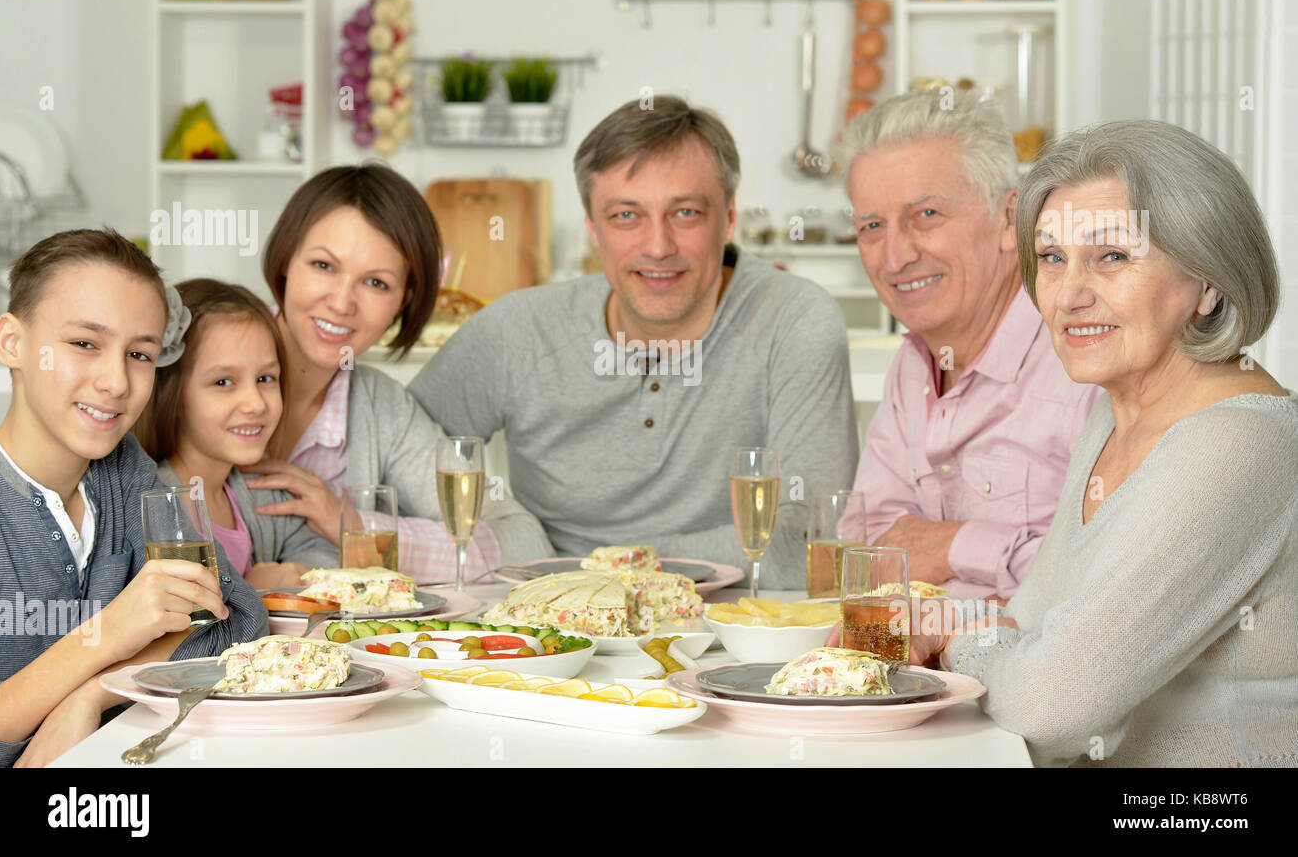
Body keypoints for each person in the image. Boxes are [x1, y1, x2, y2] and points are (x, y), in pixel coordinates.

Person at [916, 119, 1297, 767]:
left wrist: (960, 639)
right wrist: (995, 642)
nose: (1069, 294)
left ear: (1208, 281)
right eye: (1053, 258)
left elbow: (1050, 708)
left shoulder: (1240, 447)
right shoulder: (1115, 412)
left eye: (1113, 256)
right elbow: (1035, 628)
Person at [407, 96, 859, 589]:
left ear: (728, 219)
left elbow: (811, 542)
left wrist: (590, 572)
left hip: (730, 632)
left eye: (685, 212)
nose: (658, 246)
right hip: (542, 632)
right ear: (592, 229)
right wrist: (513, 532)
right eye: (626, 216)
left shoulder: (794, 321)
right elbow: (397, 457)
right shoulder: (518, 330)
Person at [0, 229, 268, 768]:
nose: (117, 381)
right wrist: (110, 634)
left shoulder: (123, 471)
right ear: (12, 342)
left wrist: (92, 692)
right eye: (84, 344)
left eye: (140, 353)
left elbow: (235, 615)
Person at [837, 89, 1098, 599]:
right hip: (921, 669)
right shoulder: (914, 362)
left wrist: (952, 546)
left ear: (1010, 221)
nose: (894, 258)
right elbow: (860, 547)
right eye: (872, 226)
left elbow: (1107, 585)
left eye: (926, 215)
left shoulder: (1086, 360)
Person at [242, 164, 552, 583]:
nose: (341, 302)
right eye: (323, 265)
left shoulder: (381, 408)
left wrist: (354, 530)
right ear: (285, 262)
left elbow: (525, 541)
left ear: (404, 300)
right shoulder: (202, 358)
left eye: (375, 283)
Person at [134, 279, 335, 589]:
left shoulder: (257, 492)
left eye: (266, 378)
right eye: (224, 382)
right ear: (171, 394)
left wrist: (296, 571)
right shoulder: (153, 507)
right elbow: (185, 620)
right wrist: (252, 589)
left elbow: (324, 551)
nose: (255, 403)